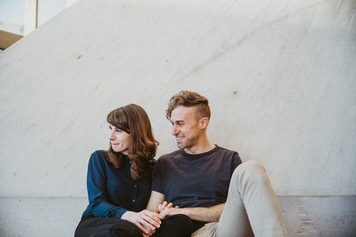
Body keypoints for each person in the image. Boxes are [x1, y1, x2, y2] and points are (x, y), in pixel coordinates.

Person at [146, 91, 289, 237]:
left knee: (251, 168)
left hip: (220, 230)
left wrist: (185, 211)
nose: (174, 131)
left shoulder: (228, 159)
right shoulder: (165, 163)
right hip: (182, 232)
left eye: (180, 124)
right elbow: (151, 212)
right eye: (172, 124)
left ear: (203, 123)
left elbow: (240, 208)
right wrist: (159, 212)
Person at [75, 104, 162, 237]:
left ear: (136, 133)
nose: (111, 136)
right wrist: (129, 215)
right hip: (98, 225)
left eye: (118, 131)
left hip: (133, 227)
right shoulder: (99, 159)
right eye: (110, 128)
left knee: (179, 222)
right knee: (127, 230)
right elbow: (97, 204)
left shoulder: (154, 167)